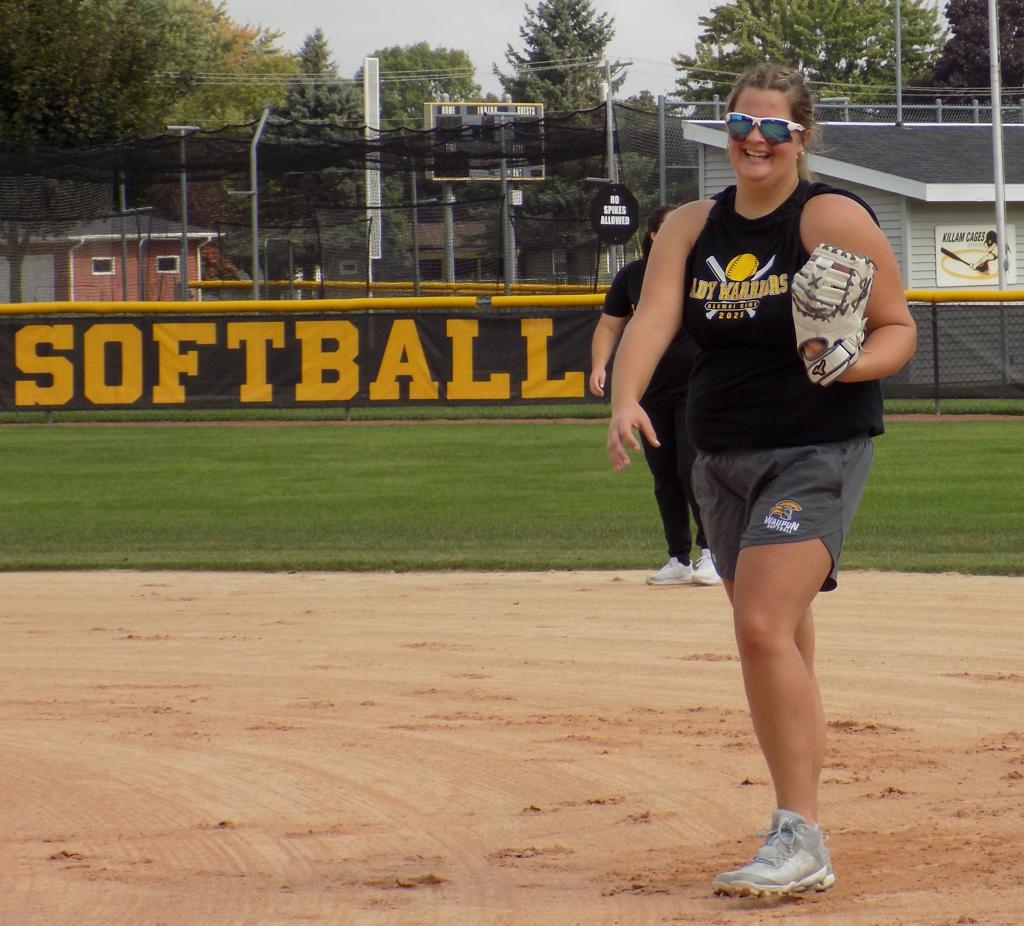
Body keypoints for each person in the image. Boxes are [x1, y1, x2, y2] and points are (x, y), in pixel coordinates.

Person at [605, 63, 916, 897]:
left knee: (760, 626)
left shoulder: (828, 216)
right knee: (782, 640)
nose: (755, 139)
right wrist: (625, 397)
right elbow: (653, 320)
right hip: (720, 457)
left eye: (775, 128)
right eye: (742, 123)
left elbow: (896, 328)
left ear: (799, 138)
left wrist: (846, 363)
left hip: (814, 448)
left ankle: (799, 835)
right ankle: (802, 819)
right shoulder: (690, 226)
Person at [589, 207, 720, 587]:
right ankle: (678, 558)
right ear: (652, 235)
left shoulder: (704, 271)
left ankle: (712, 552)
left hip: (696, 386)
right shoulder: (633, 275)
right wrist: (599, 365)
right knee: (664, 475)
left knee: (693, 469)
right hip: (651, 391)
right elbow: (609, 325)